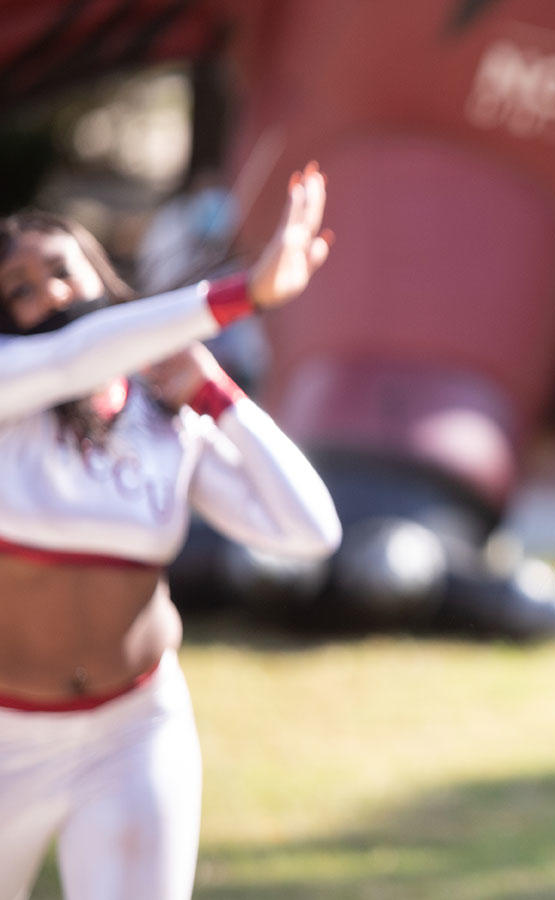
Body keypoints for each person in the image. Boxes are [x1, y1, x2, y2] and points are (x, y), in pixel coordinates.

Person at [0, 164, 339, 900]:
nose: (51, 295)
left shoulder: (161, 421)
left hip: (132, 733)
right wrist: (243, 292)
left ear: (105, 281)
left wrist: (216, 395)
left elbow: (309, 530)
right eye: (20, 289)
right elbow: (67, 357)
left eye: (64, 271)